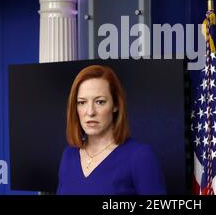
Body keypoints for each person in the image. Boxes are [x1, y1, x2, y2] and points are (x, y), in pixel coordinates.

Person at [56, 64, 167, 195]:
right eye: (82, 102)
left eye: (100, 102)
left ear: (116, 105)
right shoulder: (69, 155)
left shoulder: (140, 157)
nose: (90, 112)